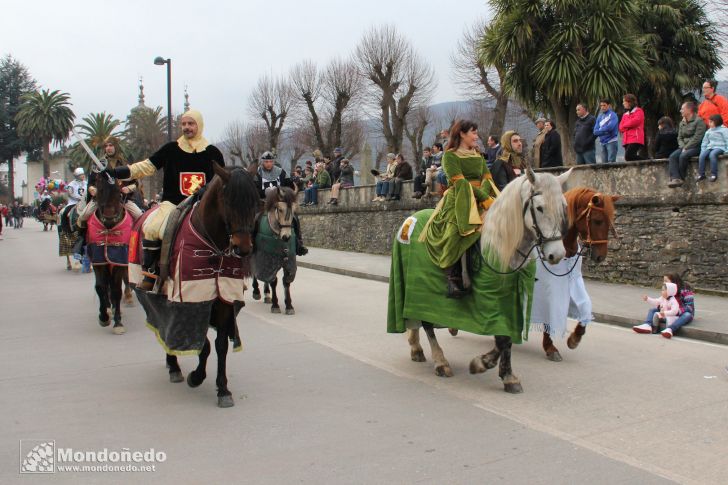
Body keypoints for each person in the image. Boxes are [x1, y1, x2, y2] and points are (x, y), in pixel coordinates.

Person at [107, 109, 225, 289]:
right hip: (173, 203)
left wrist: (207, 190)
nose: (187, 127)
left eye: (191, 123)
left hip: (204, 204)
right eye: (184, 124)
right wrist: (118, 171)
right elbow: (147, 167)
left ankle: (229, 272)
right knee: (152, 227)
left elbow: (220, 180)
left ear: (199, 125)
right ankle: (151, 273)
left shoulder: (213, 153)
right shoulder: (171, 149)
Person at [421, 120, 497, 299]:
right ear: (462, 134)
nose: (476, 136)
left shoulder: (477, 154)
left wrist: (485, 196)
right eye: (473, 132)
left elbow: (487, 177)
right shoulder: (450, 156)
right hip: (459, 199)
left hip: (481, 198)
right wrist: (484, 197)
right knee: (454, 230)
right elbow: (460, 182)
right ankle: (452, 277)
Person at [255, 151, 308, 254]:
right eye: (266, 161)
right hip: (263, 203)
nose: (269, 164)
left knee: (295, 218)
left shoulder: (281, 172)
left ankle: (298, 243)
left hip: (280, 202)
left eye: (271, 161)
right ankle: (252, 244)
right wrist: (265, 193)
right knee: (255, 219)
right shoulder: (257, 174)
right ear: (263, 162)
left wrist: (296, 183)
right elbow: (254, 188)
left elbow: (290, 186)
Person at [633, 274, 693, 338]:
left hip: (680, 313)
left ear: (674, 282)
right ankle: (647, 325)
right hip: (667, 311)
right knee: (653, 310)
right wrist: (649, 300)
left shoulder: (685, 291)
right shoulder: (667, 291)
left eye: (666, 281)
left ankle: (670, 329)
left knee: (687, 315)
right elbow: (658, 301)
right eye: (663, 281)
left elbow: (689, 308)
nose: (664, 283)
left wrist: (675, 311)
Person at [667, 101, 706, 188]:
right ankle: (675, 178)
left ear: (689, 110)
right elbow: (679, 137)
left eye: (682, 109)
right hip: (684, 147)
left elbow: (698, 137)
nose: (681, 111)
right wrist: (683, 146)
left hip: (696, 147)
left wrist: (687, 147)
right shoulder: (682, 123)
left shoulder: (699, 121)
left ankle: (681, 178)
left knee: (683, 156)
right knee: (673, 156)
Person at [697, 114, 728, 182]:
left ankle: (714, 174)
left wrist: (727, 150)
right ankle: (701, 174)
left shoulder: (724, 130)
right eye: (709, 121)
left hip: (720, 147)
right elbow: (705, 142)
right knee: (702, 156)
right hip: (710, 147)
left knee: (712, 155)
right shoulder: (708, 131)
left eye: (711, 122)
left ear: (716, 122)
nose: (709, 123)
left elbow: (727, 139)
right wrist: (703, 150)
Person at [619, 94, 645, 161]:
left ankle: (647, 160)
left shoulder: (639, 111)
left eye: (624, 101)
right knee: (630, 159)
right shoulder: (625, 114)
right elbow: (621, 127)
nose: (623, 103)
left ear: (629, 102)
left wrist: (626, 125)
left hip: (635, 138)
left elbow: (635, 122)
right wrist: (628, 126)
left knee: (628, 156)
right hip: (626, 139)